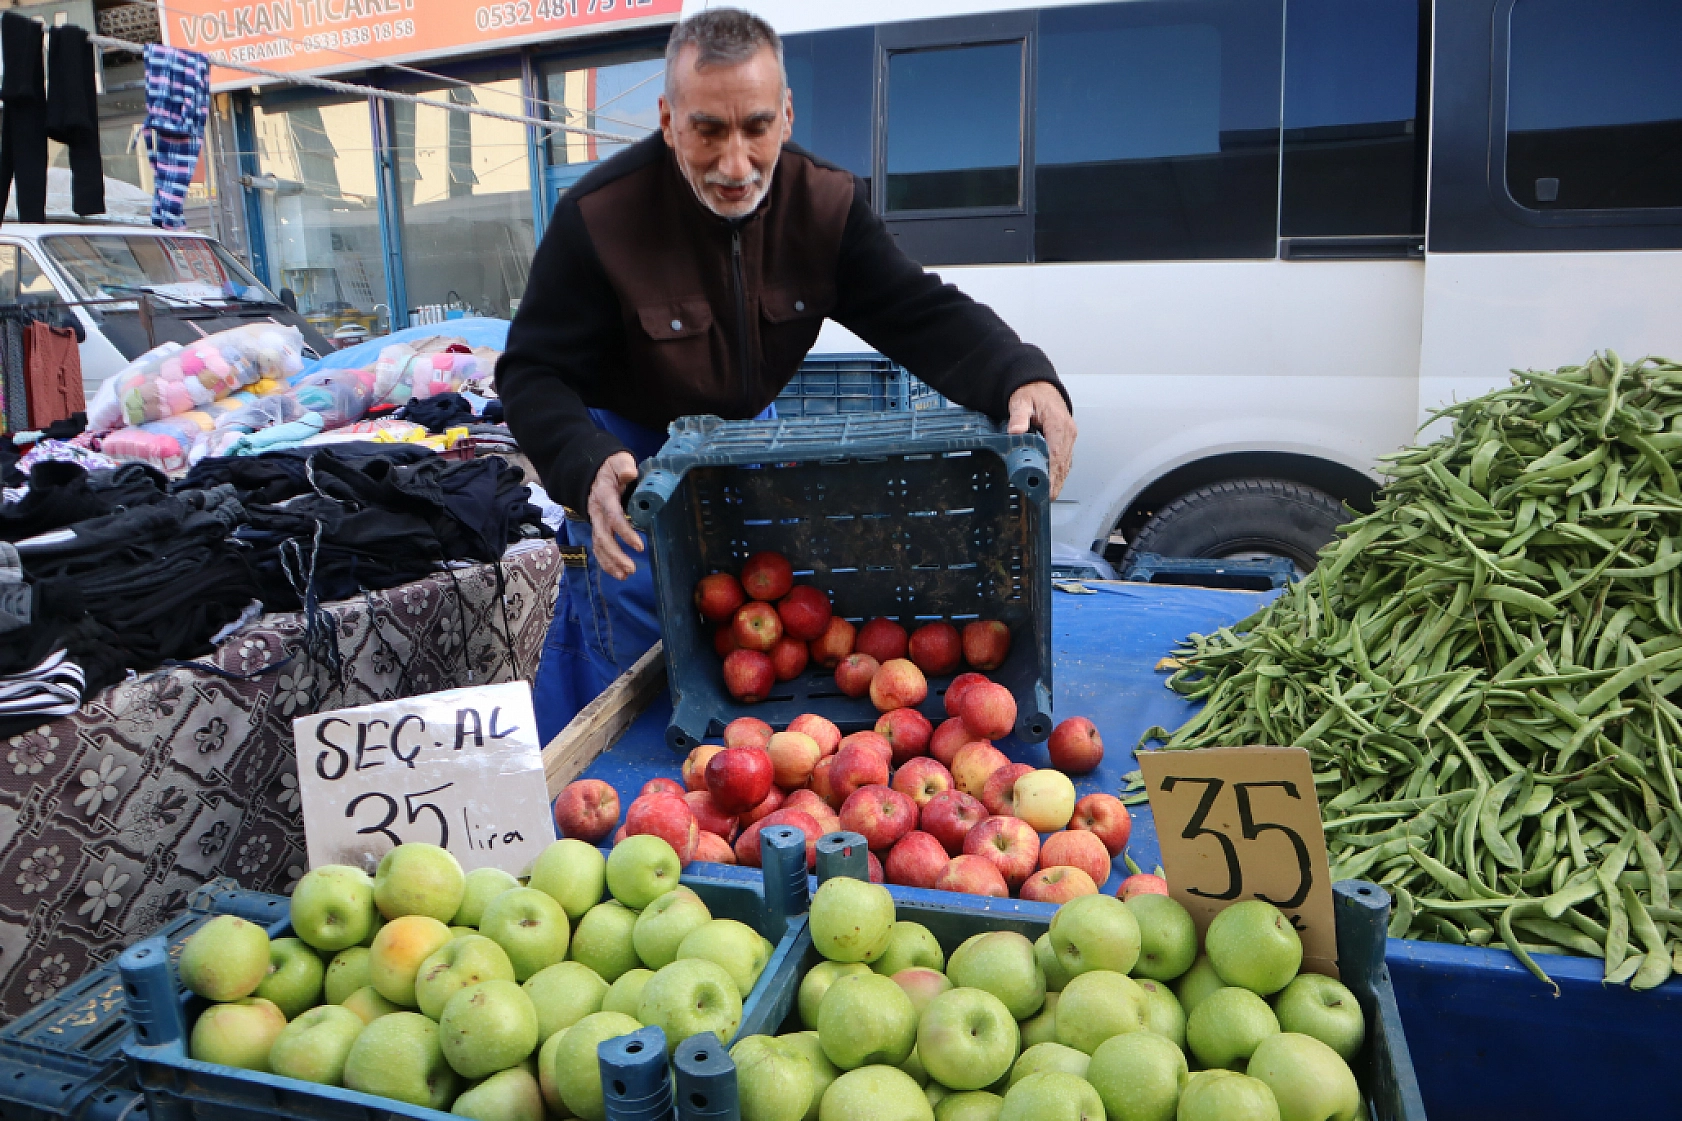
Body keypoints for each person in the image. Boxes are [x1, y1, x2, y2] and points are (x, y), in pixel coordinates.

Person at [498, 8, 1078, 744]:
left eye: (757, 128)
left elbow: (919, 311)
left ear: (787, 116)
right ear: (668, 120)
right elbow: (531, 369)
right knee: (630, 692)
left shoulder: (825, 204)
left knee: (753, 659)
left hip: (750, 450)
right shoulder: (598, 218)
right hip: (634, 465)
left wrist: (1022, 374)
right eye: (708, 130)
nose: (736, 164)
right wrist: (582, 460)